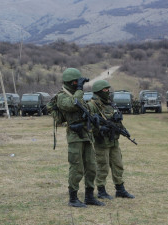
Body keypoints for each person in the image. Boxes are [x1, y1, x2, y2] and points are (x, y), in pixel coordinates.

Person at [56, 68, 104, 208]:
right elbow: (72, 104)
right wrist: (79, 88)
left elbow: (83, 107)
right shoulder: (62, 96)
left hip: (87, 134)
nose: (79, 84)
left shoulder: (78, 95)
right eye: (76, 82)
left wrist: (94, 118)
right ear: (71, 82)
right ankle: (73, 198)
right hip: (75, 136)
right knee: (76, 167)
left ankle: (89, 196)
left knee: (91, 166)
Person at [87, 80, 135, 200]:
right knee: (102, 166)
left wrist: (123, 129)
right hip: (102, 142)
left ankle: (120, 189)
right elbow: (89, 125)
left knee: (118, 165)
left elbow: (117, 121)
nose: (108, 92)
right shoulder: (92, 105)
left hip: (113, 140)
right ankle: (101, 190)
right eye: (105, 90)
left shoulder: (110, 104)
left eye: (108, 89)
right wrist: (100, 128)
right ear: (98, 91)